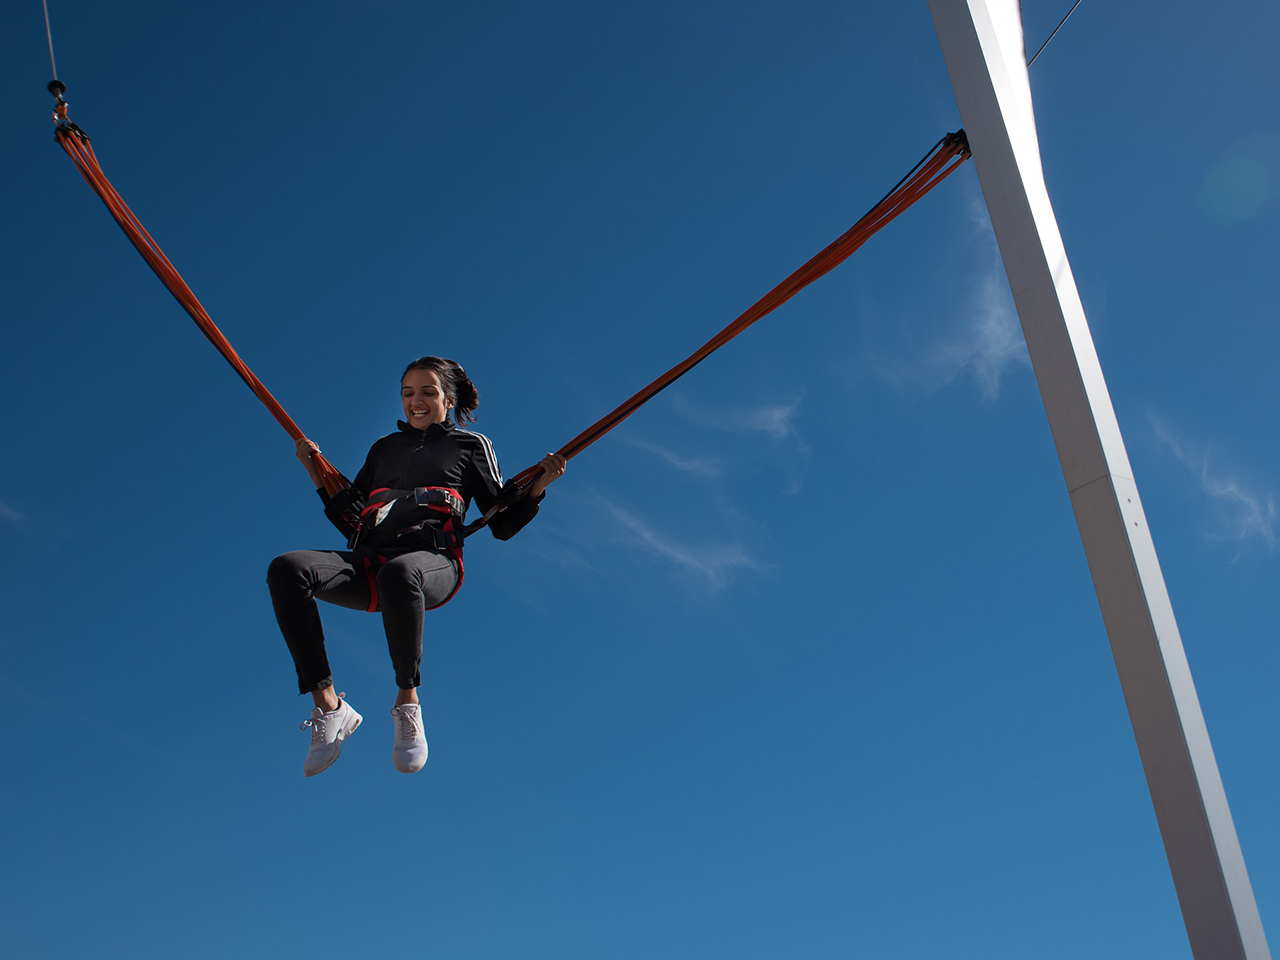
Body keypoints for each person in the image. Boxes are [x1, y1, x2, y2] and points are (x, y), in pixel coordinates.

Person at [267, 356, 566, 777]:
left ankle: (407, 703)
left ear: (449, 399)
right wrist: (317, 475)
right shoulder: (383, 449)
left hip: (434, 565)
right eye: (408, 393)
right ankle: (330, 707)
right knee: (287, 567)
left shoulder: (470, 445)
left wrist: (538, 487)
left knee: (400, 572)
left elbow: (500, 523)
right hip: (373, 563)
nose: (416, 401)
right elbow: (354, 521)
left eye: (428, 391)